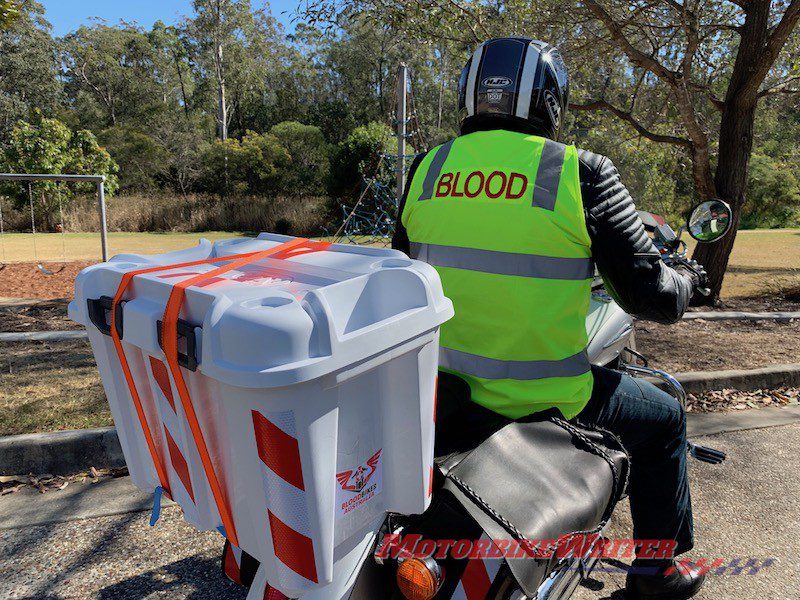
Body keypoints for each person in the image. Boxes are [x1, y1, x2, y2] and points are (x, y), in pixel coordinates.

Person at [392, 37, 707, 600]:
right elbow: (648, 295)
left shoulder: (426, 169)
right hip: (548, 397)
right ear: (550, 100)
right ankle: (657, 572)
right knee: (663, 419)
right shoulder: (578, 172)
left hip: (446, 395)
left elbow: (401, 273)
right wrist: (686, 280)